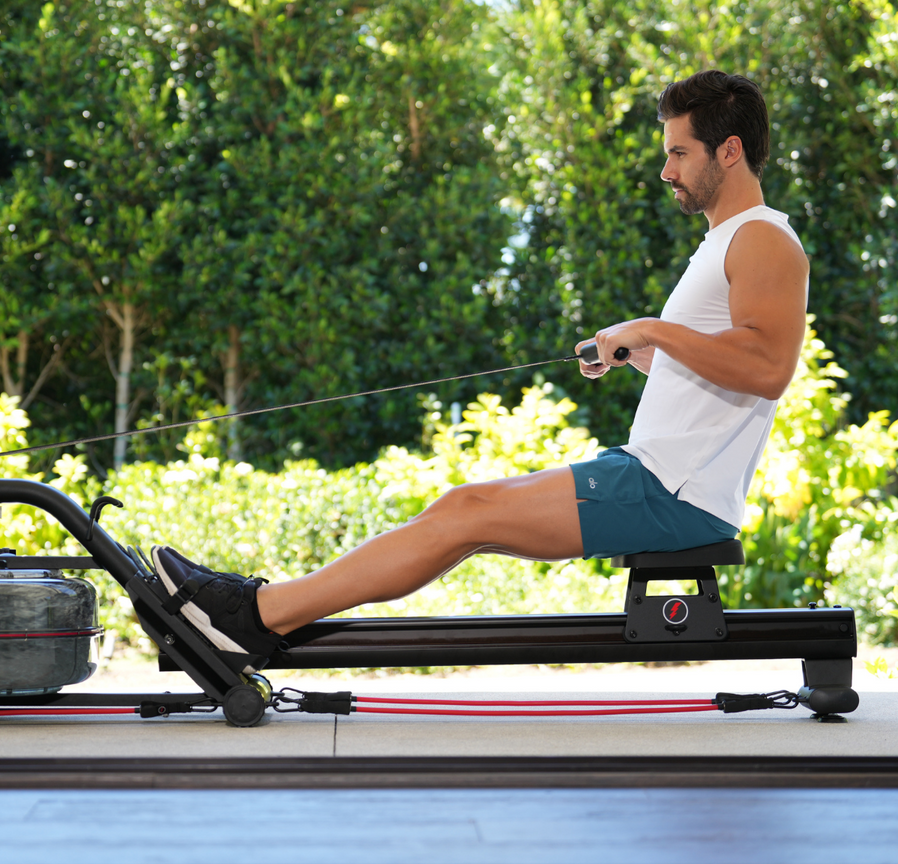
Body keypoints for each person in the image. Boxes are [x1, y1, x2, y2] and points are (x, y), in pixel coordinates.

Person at [151, 70, 811, 673]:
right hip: (660, 479)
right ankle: (258, 610)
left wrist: (654, 331)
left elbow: (768, 367)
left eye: (679, 153)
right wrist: (655, 357)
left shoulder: (762, 238)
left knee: (466, 512)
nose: (666, 171)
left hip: (671, 492)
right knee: (459, 510)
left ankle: (251, 617)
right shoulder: (727, 241)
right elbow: (725, 366)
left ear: (728, 151)